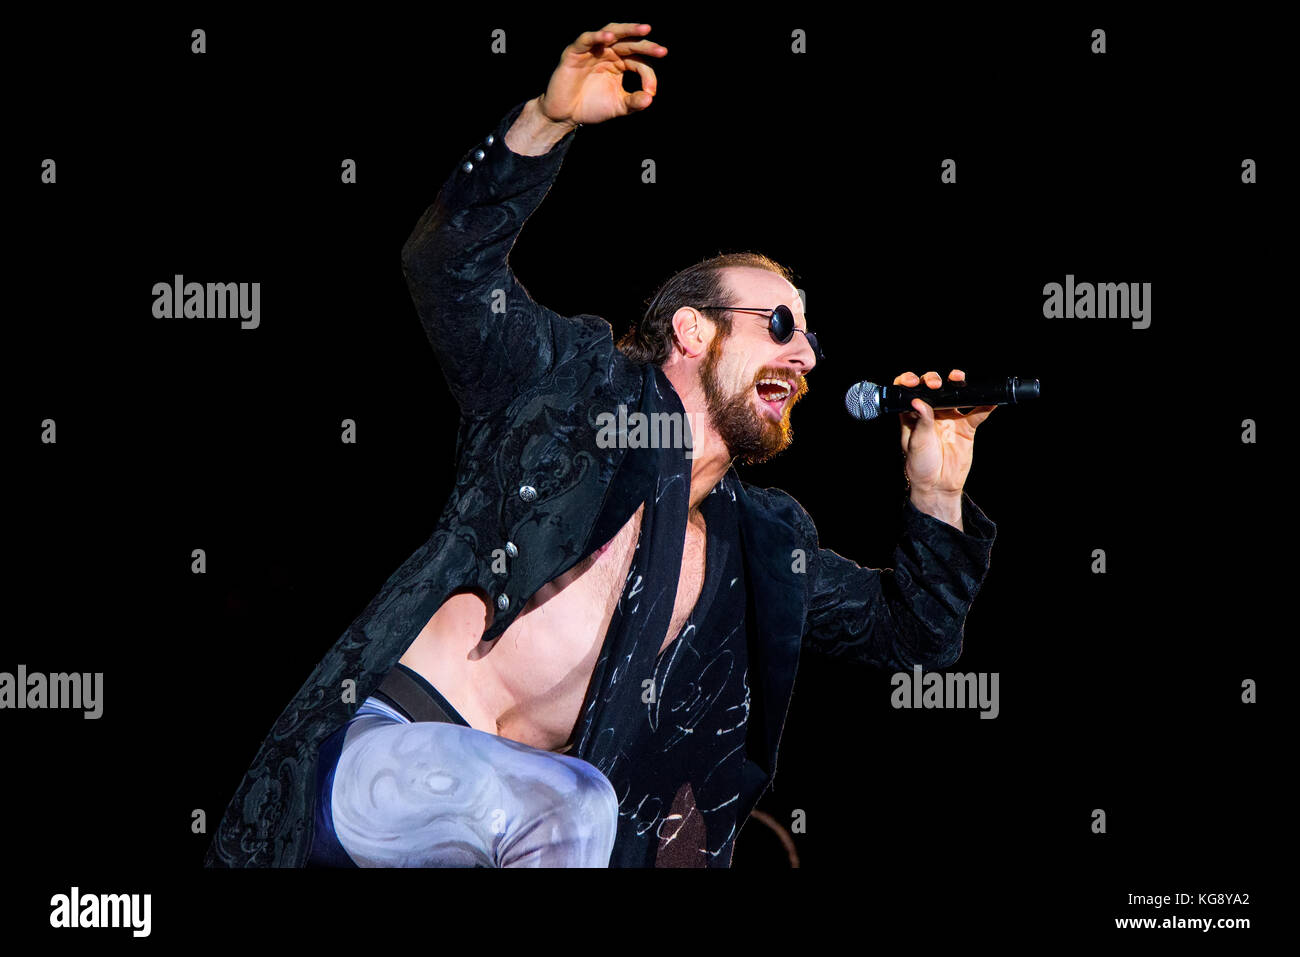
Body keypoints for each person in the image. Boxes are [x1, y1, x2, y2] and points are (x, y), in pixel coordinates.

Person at [205, 21, 998, 869]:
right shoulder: (568, 389)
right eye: (779, 325)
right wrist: (545, 122)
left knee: (583, 811)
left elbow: (912, 636)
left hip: (524, 833)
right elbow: (445, 266)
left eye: (810, 337)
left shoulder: (762, 545)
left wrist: (937, 489)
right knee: (582, 804)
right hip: (387, 764)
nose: (804, 356)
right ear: (692, 330)